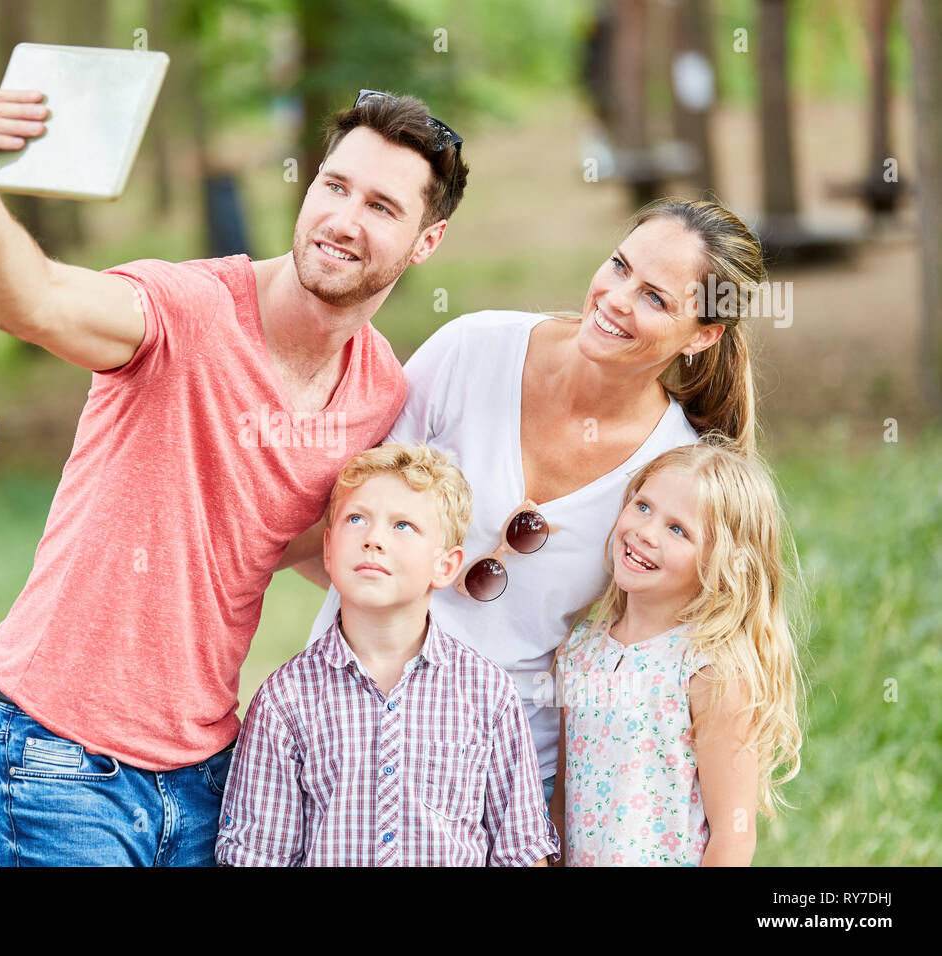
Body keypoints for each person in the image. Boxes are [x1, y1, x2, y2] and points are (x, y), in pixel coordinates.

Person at [0, 87, 469, 865]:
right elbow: (37, 302)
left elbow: (305, 545)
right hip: (61, 750)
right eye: (335, 186)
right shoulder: (186, 310)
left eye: (382, 207)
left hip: (209, 769)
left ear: (426, 242)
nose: (344, 220)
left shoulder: (377, 391)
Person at [291, 198, 766, 816]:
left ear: (703, 335)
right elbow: (349, 521)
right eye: (619, 267)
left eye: (655, 298)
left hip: (506, 779)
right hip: (348, 735)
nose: (617, 298)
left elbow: (660, 644)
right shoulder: (473, 349)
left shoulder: (672, 473)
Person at [215, 443, 559, 866]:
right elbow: (259, 856)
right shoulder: (285, 700)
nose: (374, 539)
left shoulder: (488, 695)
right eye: (356, 519)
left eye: (403, 526)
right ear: (328, 549)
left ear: (446, 566)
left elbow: (521, 852)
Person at [551, 441, 805, 866]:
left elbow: (733, 835)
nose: (645, 532)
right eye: (643, 506)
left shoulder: (707, 671)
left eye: (678, 530)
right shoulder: (579, 651)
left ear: (720, 564)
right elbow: (562, 801)